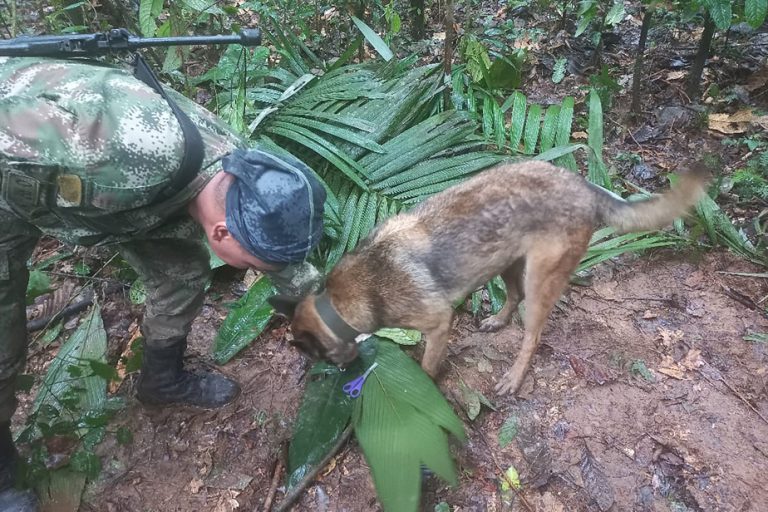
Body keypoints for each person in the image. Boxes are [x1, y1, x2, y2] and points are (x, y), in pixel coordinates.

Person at [0, 56, 326, 510]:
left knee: (183, 275)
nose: (259, 270)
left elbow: (282, 261)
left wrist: (329, 317)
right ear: (222, 234)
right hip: (13, 175)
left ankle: (161, 380)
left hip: (121, 201)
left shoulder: (242, 175)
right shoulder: (116, 151)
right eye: (254, 264)